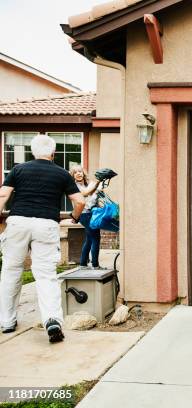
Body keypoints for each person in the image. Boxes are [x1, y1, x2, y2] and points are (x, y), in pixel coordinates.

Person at [0, 135, 85, 343]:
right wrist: (74, 216)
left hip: (18, 222)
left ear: (32, 152)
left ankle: (7, 321)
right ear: (53, 153)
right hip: (46, 224)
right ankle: (52, 320)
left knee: (11, 270)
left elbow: (3, 196)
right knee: (46, 275)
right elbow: (80, 200)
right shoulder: (62, 173)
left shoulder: (18, 170)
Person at [69, 165, 101, 268]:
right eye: (75, 172)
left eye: (80, 171)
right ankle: (95, 265)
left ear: (83, 173)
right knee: (96, 238)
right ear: (73, 175)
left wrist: (97, 187)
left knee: (89, 239)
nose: (78, 173)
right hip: (85, 214)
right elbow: (85, 193)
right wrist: (96, 182)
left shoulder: (87, 185)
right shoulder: (75, 186)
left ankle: (83, 263)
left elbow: (93, 196)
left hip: (92, 213)